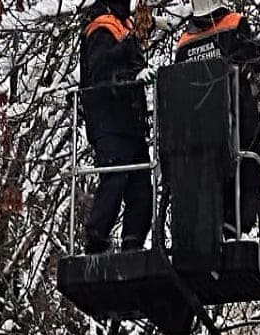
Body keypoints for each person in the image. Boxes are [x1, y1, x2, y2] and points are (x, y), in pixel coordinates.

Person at [175, 0, 260, 239]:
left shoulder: (185, 42)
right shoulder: (235, 24)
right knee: (248, 170)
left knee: (216, 176)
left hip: (200, 130)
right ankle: (236, 222)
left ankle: (215, 224)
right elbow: (257, 61)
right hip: (237, 118)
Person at [79, 0, 154, 253]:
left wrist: (147, 29)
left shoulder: (122, 26)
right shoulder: (101, 28)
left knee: (141, 185)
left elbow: (126, 57)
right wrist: (132, 75)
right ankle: (96, 235)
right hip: (109, 120)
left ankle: (133, 240)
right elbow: (102, 69)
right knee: (115, 176)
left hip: (130, 121)